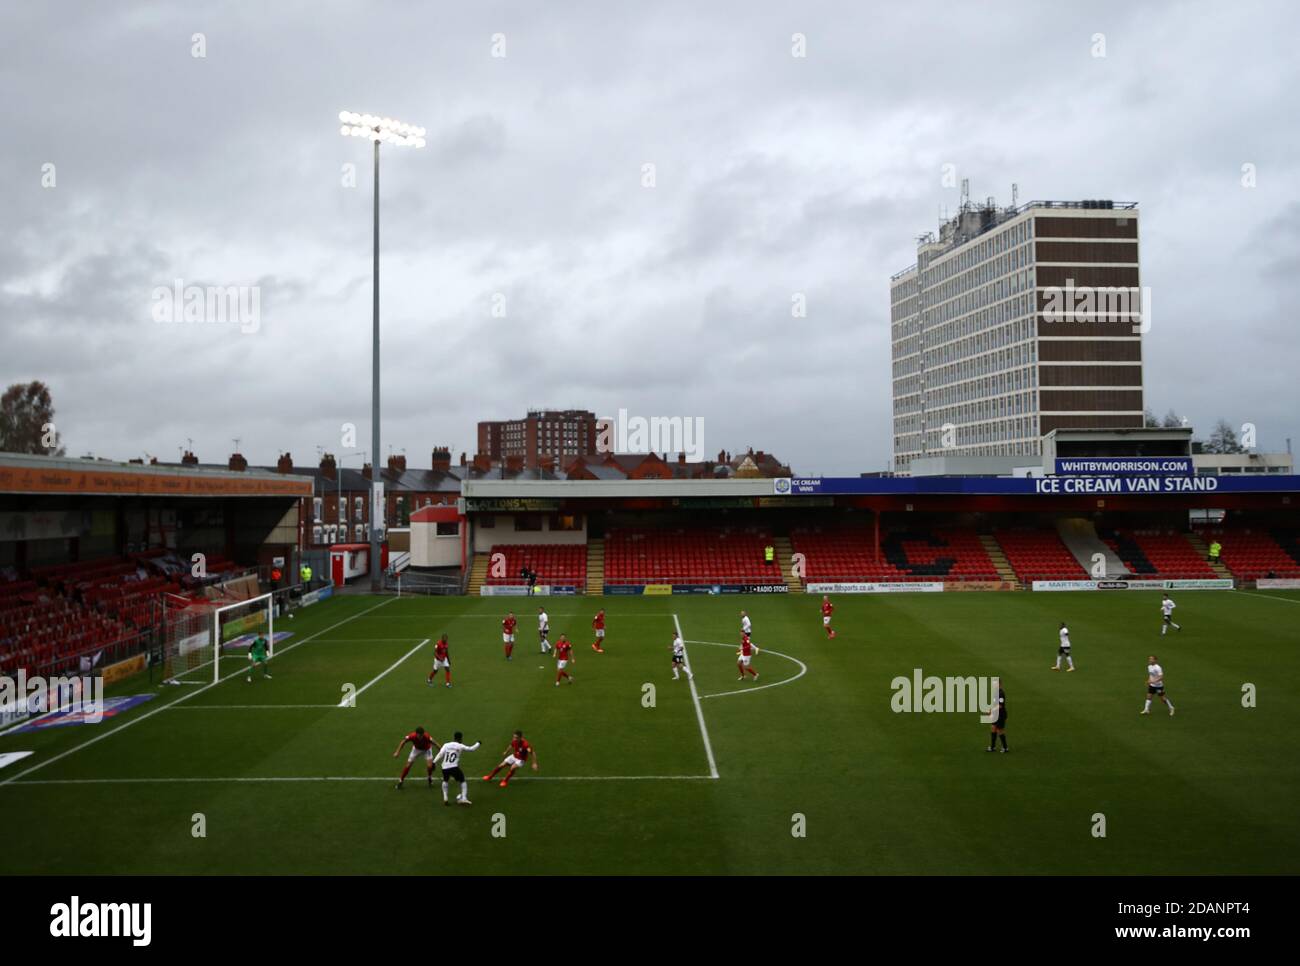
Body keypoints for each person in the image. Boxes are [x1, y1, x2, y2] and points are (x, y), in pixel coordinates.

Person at [431, 732, 480, 805]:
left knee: (445, 780)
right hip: (454, 767)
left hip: (444, 768)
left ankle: (445, 798)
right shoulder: (460, 746)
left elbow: (440, 754)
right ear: (460, 738)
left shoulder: (446, 745)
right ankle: (463, 798)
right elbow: (471, 749)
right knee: (462, 780)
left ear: (454, 738)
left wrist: (434, 762)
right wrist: (478, 743)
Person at [987, 684, 1008, 752]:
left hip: (1001, 715)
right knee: (993, 728)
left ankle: (1005, 747)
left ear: (999, 685)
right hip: (996, 714)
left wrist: (992, 710)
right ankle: (993, 747)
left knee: (999, 730)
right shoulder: (995, 692)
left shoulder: (1001, 694)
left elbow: (1000, 705)